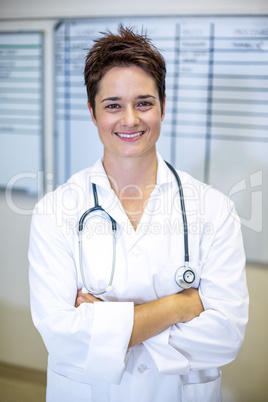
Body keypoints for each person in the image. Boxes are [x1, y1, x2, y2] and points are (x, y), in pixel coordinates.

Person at [29, 26, 249, 402]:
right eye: (113, 105)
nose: (129, 119)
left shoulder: (214, 208)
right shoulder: (54, 211)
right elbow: (62, 336)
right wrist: (177, 306)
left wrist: (108, 329)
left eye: (144, 103)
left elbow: (225, 337)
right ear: (93, 113)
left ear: (163, 105)